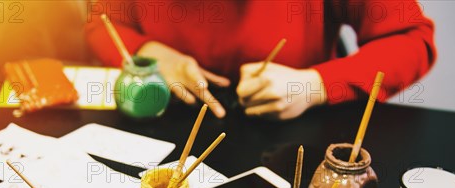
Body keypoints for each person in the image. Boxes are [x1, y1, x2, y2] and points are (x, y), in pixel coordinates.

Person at [85, 0, 436, 120]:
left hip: (297, 141)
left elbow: (412, 41)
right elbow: (102, 21)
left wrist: (313, 86)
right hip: (164, 124)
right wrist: (147, 53)